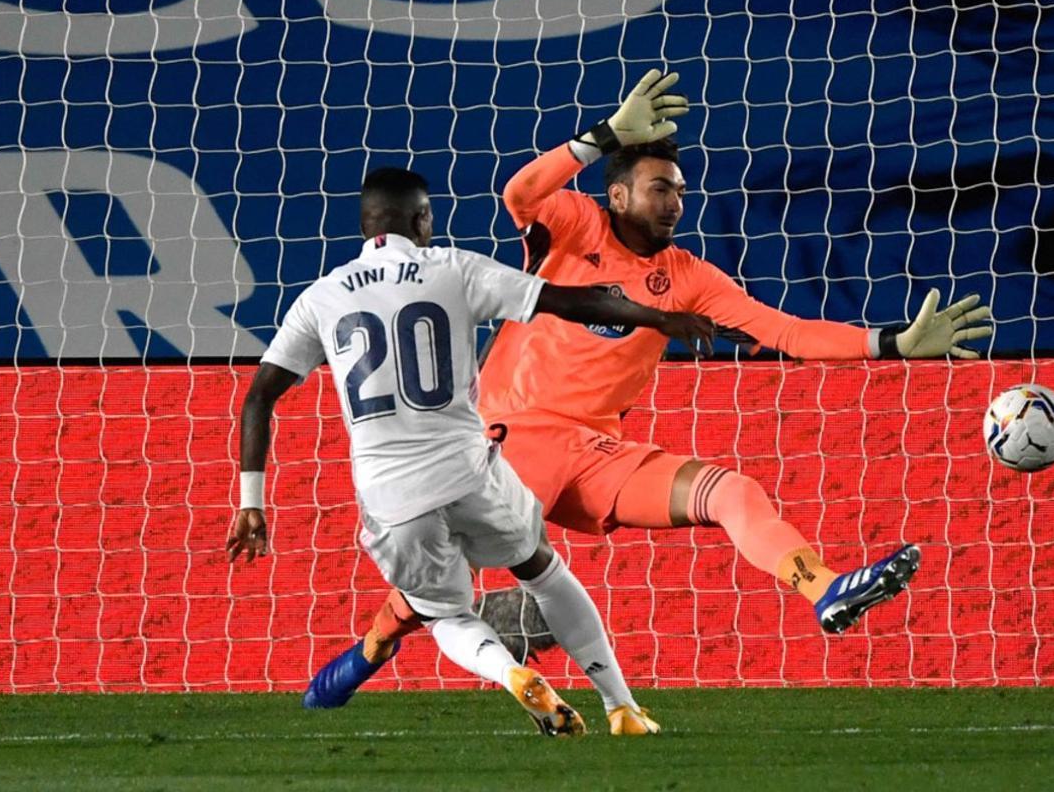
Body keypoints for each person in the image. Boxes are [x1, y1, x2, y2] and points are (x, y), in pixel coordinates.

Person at [313, 69, 992, 705]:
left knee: (731, 491)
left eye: (680, 191)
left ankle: (824, 588)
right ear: (618, 195)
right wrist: (605, 135)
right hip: (511, 437)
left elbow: (784, 330)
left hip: (593, 453)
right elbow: (519, 193)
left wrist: (890, 344)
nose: (675, 202)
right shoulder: (574, 225)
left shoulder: (689, 276)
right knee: (442, 584)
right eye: (660, 188)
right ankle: (373, 647)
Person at [226, 165, 714, 736]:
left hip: (393, 497)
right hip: (470, 472)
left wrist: (251, 502)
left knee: (446, 615)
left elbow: (259, 398)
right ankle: (621, 706)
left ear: (364, 225)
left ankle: (512, 675)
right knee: (543, 570)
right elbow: (569, 302)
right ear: (422, 219)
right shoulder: (453, 268)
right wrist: (660, 318)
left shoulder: (322, 297)